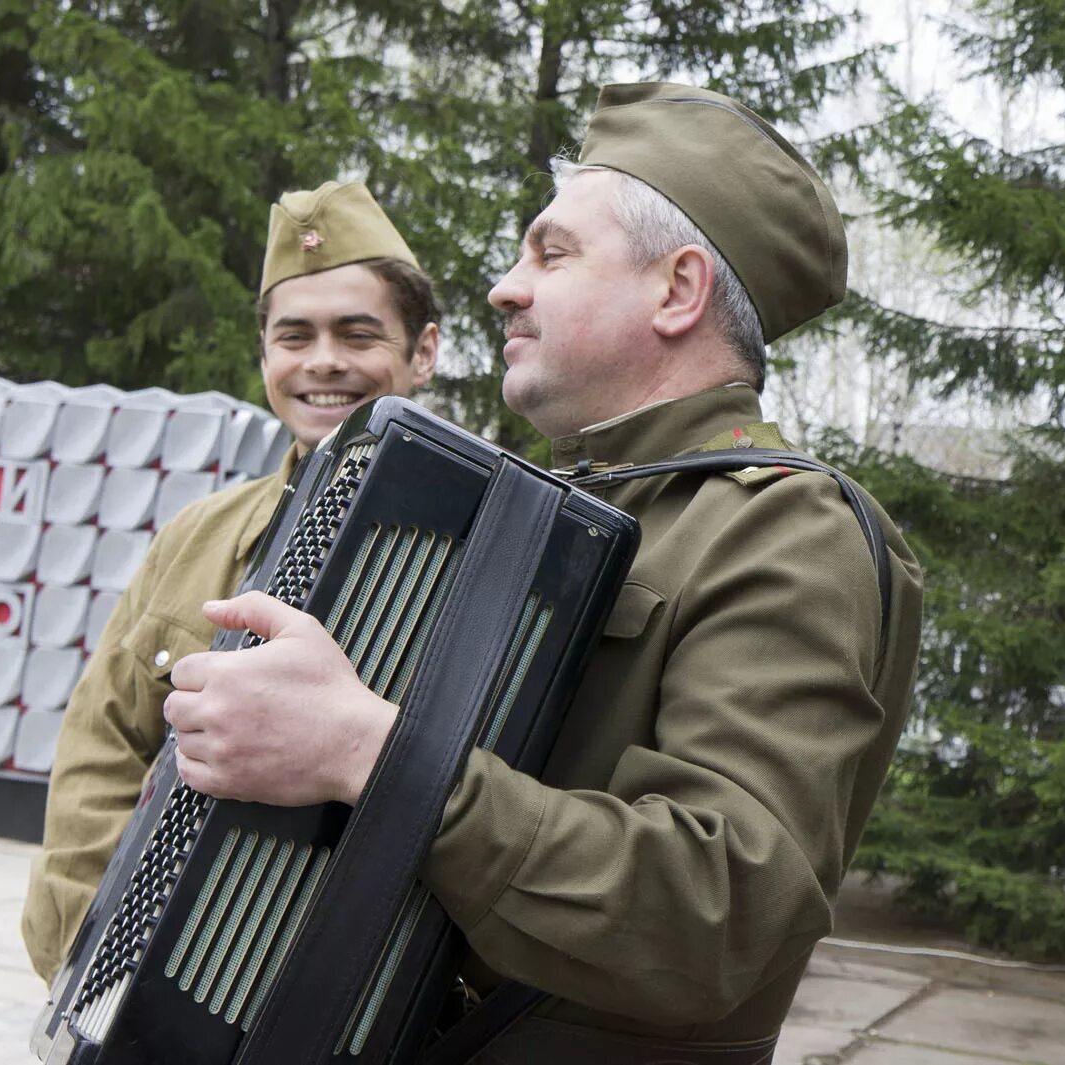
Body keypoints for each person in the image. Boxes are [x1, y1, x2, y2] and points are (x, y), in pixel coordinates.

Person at [163, 83, 923, 1063]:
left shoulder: (782, 529)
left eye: (552, 253)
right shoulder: (560, 511)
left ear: (677, 291)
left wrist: (368, 752)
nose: (504, 287)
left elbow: (723, 913)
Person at [20, 181, 440, 981]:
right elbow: (104, 741)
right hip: (158, 975)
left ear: (424, 351)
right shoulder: (196, 534)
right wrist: (93, 942)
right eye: (294, 335)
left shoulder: (489, 546)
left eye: (358, 333)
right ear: (264, 355)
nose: (322, 361)